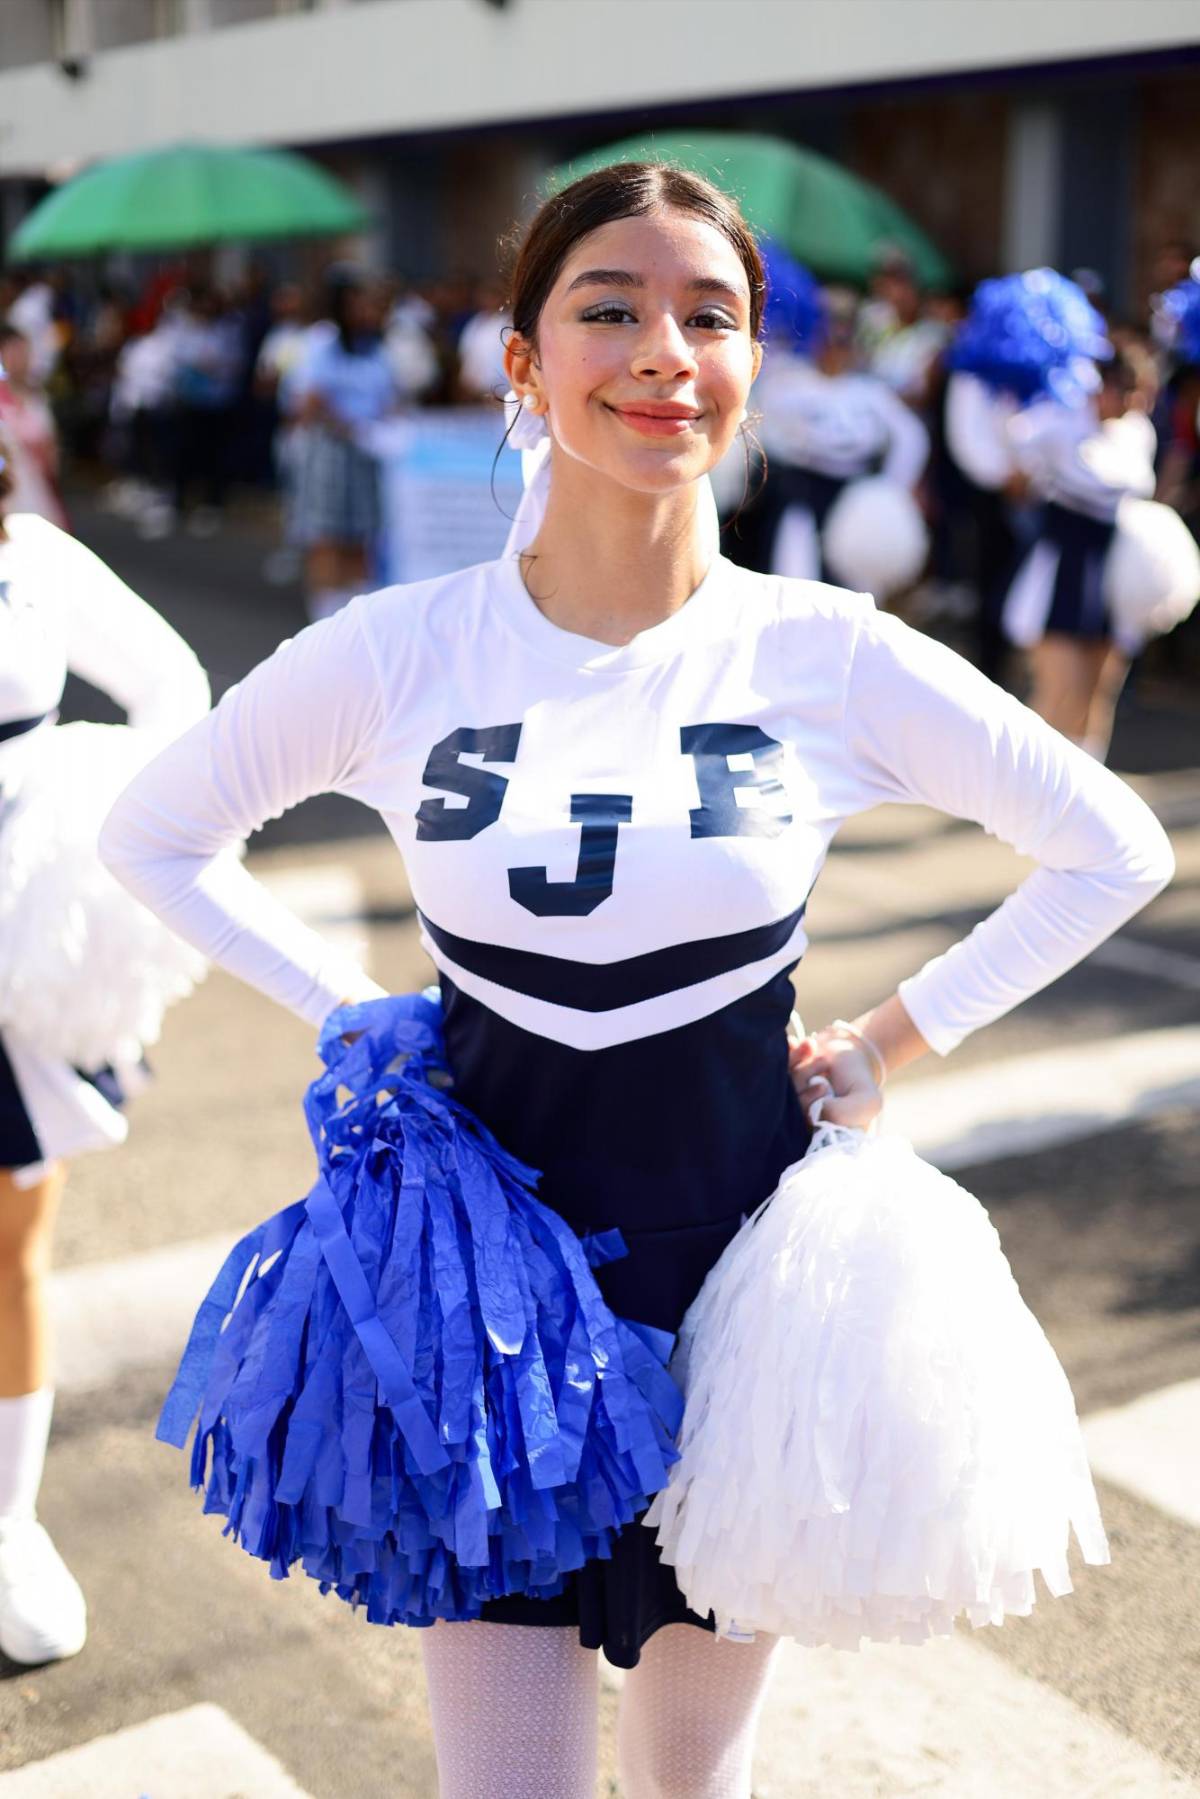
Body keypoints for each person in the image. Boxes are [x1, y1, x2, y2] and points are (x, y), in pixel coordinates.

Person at [100, 165, 1173, 1798]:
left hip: (742, 1282)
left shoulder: (826, 648)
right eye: (610, 308)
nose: (666, 349)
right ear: (522, 361)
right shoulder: (403, 647)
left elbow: (1111, 847)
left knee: (694, 1772)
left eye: (710, 314)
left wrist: (896, 1036)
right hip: (474, 1282)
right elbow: (155, 832)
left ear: (751, 364)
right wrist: (351, 1010)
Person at [0, 437, 211, 1666]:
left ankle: (8, 1520)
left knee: (10, 1240)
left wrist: (76, 826)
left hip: (11, 949)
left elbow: (173, 684)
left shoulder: (31, 557)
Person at [1000, 351, 1158, 759]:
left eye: (1139, 393)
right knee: (1059, 690)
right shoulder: (1057, 423)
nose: (1133, 403)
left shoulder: (1138, 432)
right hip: (1063, 567)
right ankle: (1022, 783)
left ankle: (1085, 787)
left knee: (1100, 690)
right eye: (1124, 391)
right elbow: (1011, 465)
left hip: (1114, 569)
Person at [286, 270, 398, 622]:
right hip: (331, 451)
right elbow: (310, 399)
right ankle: (325, 612)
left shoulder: (374, 346)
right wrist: (349, 426)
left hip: (367, 450)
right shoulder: (323, 341)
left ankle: (355, 611)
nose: (367, 310)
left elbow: (388, 396)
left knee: (362, 531)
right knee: (328, 532)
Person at [0, 325, 67, 530]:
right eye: (13, 352)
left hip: (37, 490)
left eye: (24, 352)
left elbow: (51, 447)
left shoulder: (36, 397)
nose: (20, 359)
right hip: (9, 494)